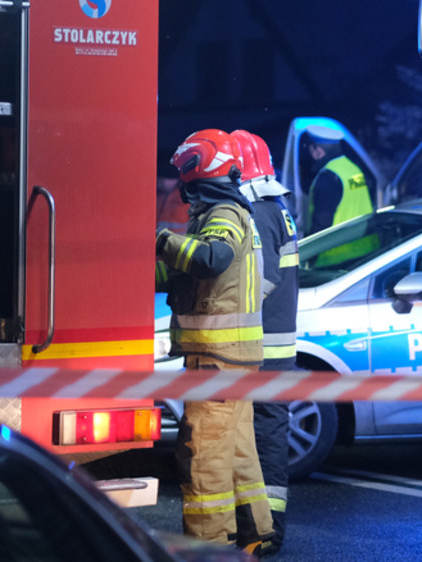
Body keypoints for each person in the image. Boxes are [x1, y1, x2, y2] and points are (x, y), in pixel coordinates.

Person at [155, 129, 274, 556]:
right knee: (237, 449)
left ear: (195, 169)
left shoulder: (222, 212)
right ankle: (252, 534)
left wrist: (161, 241)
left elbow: (210, 259)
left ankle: (207, 547)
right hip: (232, 358)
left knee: (203, 455)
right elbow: (199, 274)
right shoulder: (234, 210)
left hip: (216, 358)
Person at [231, 129, 300, 553]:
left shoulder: (256, 210)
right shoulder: (277, 207)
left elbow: (264, 278)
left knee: (262, 434)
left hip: (261, 344)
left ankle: (265, 527)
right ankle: (266, 523)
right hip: (278, 342)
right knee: (268, 431)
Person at [299, 125, 373, 234]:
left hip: (339, 249)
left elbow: (321, 225)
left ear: (318, 150)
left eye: (310, 149)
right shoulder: (353, 168)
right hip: (365, 243)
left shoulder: (328, 177)